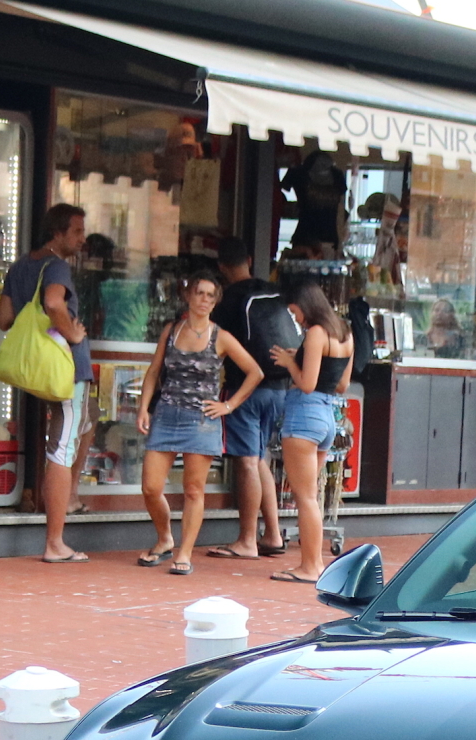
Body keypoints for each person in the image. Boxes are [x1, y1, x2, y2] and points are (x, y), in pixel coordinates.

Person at [136, 272, 263, 575]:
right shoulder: (172, 330)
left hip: (202, 419)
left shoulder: (221, 337)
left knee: (194, 490)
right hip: (167, 412)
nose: (204, 300)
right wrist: (144, 408)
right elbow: (154, 371)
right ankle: (165, 538)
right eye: (199, 293)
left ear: (215, 300)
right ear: (188, 296)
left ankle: (185, 553)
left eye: (210, 295)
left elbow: (255, 372)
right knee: (151, 487)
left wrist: (228, 405)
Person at [0, 202, 92, 563]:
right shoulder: (57, 266)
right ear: (58, 232)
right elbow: (53, 303)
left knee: (85, 423)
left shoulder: (21, 264)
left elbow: (3, 318)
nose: (82, 239)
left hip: (33, 368)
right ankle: (55, 542)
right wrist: (72, 334)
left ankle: (53, 512)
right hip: (64, 369)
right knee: (62, 449)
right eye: (77, 232)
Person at [265, 280, 356, 584]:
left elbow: (306, 383)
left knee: (304, 497)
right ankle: (313, 562)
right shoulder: (345, 332)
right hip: (328, 416)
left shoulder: (316, 333)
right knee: (311, 496)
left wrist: (292, 362)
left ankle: (309, 566)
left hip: (304, 413)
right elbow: (341, 384)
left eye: (295, 312)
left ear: (306, 307)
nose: (296, 319)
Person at [204, 238, 288, 560]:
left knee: (246, 462)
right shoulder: (272, 291)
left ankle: (247, 540)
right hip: (279, 389)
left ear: (222, 267)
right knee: (260, 457)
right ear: (249, 260)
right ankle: (273, 535)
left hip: (245, 390)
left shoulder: (228, 302)